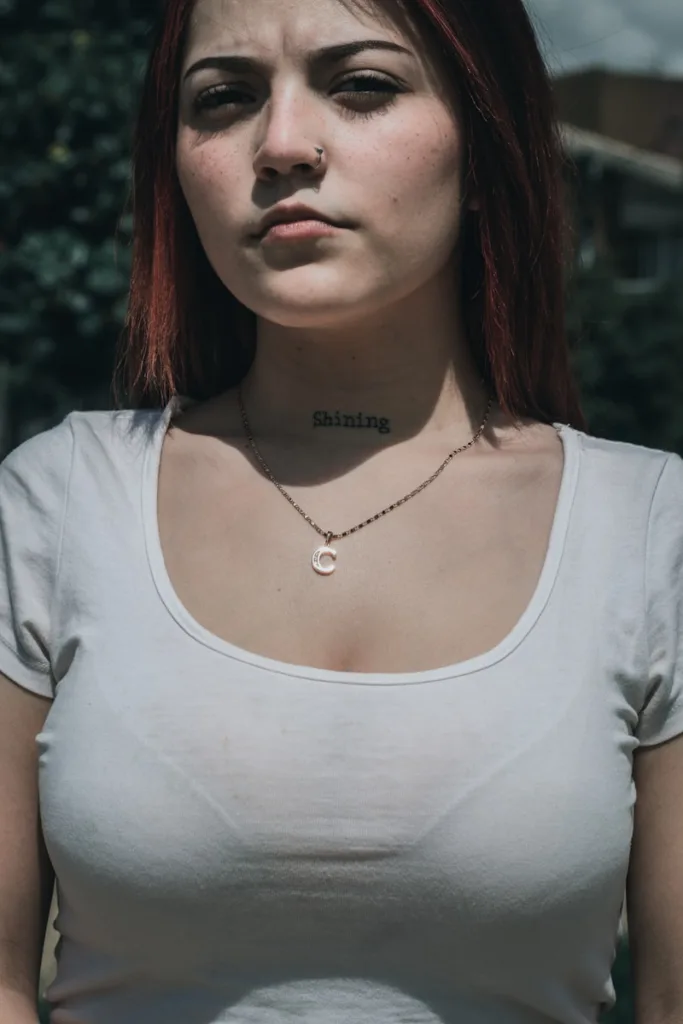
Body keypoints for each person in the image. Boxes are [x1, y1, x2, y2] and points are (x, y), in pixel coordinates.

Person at [1, 0, 682, 1021]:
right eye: (223, 100)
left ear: (484, 136)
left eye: (361, 85)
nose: (280, 144)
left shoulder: (649, 532)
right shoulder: (56, 506)